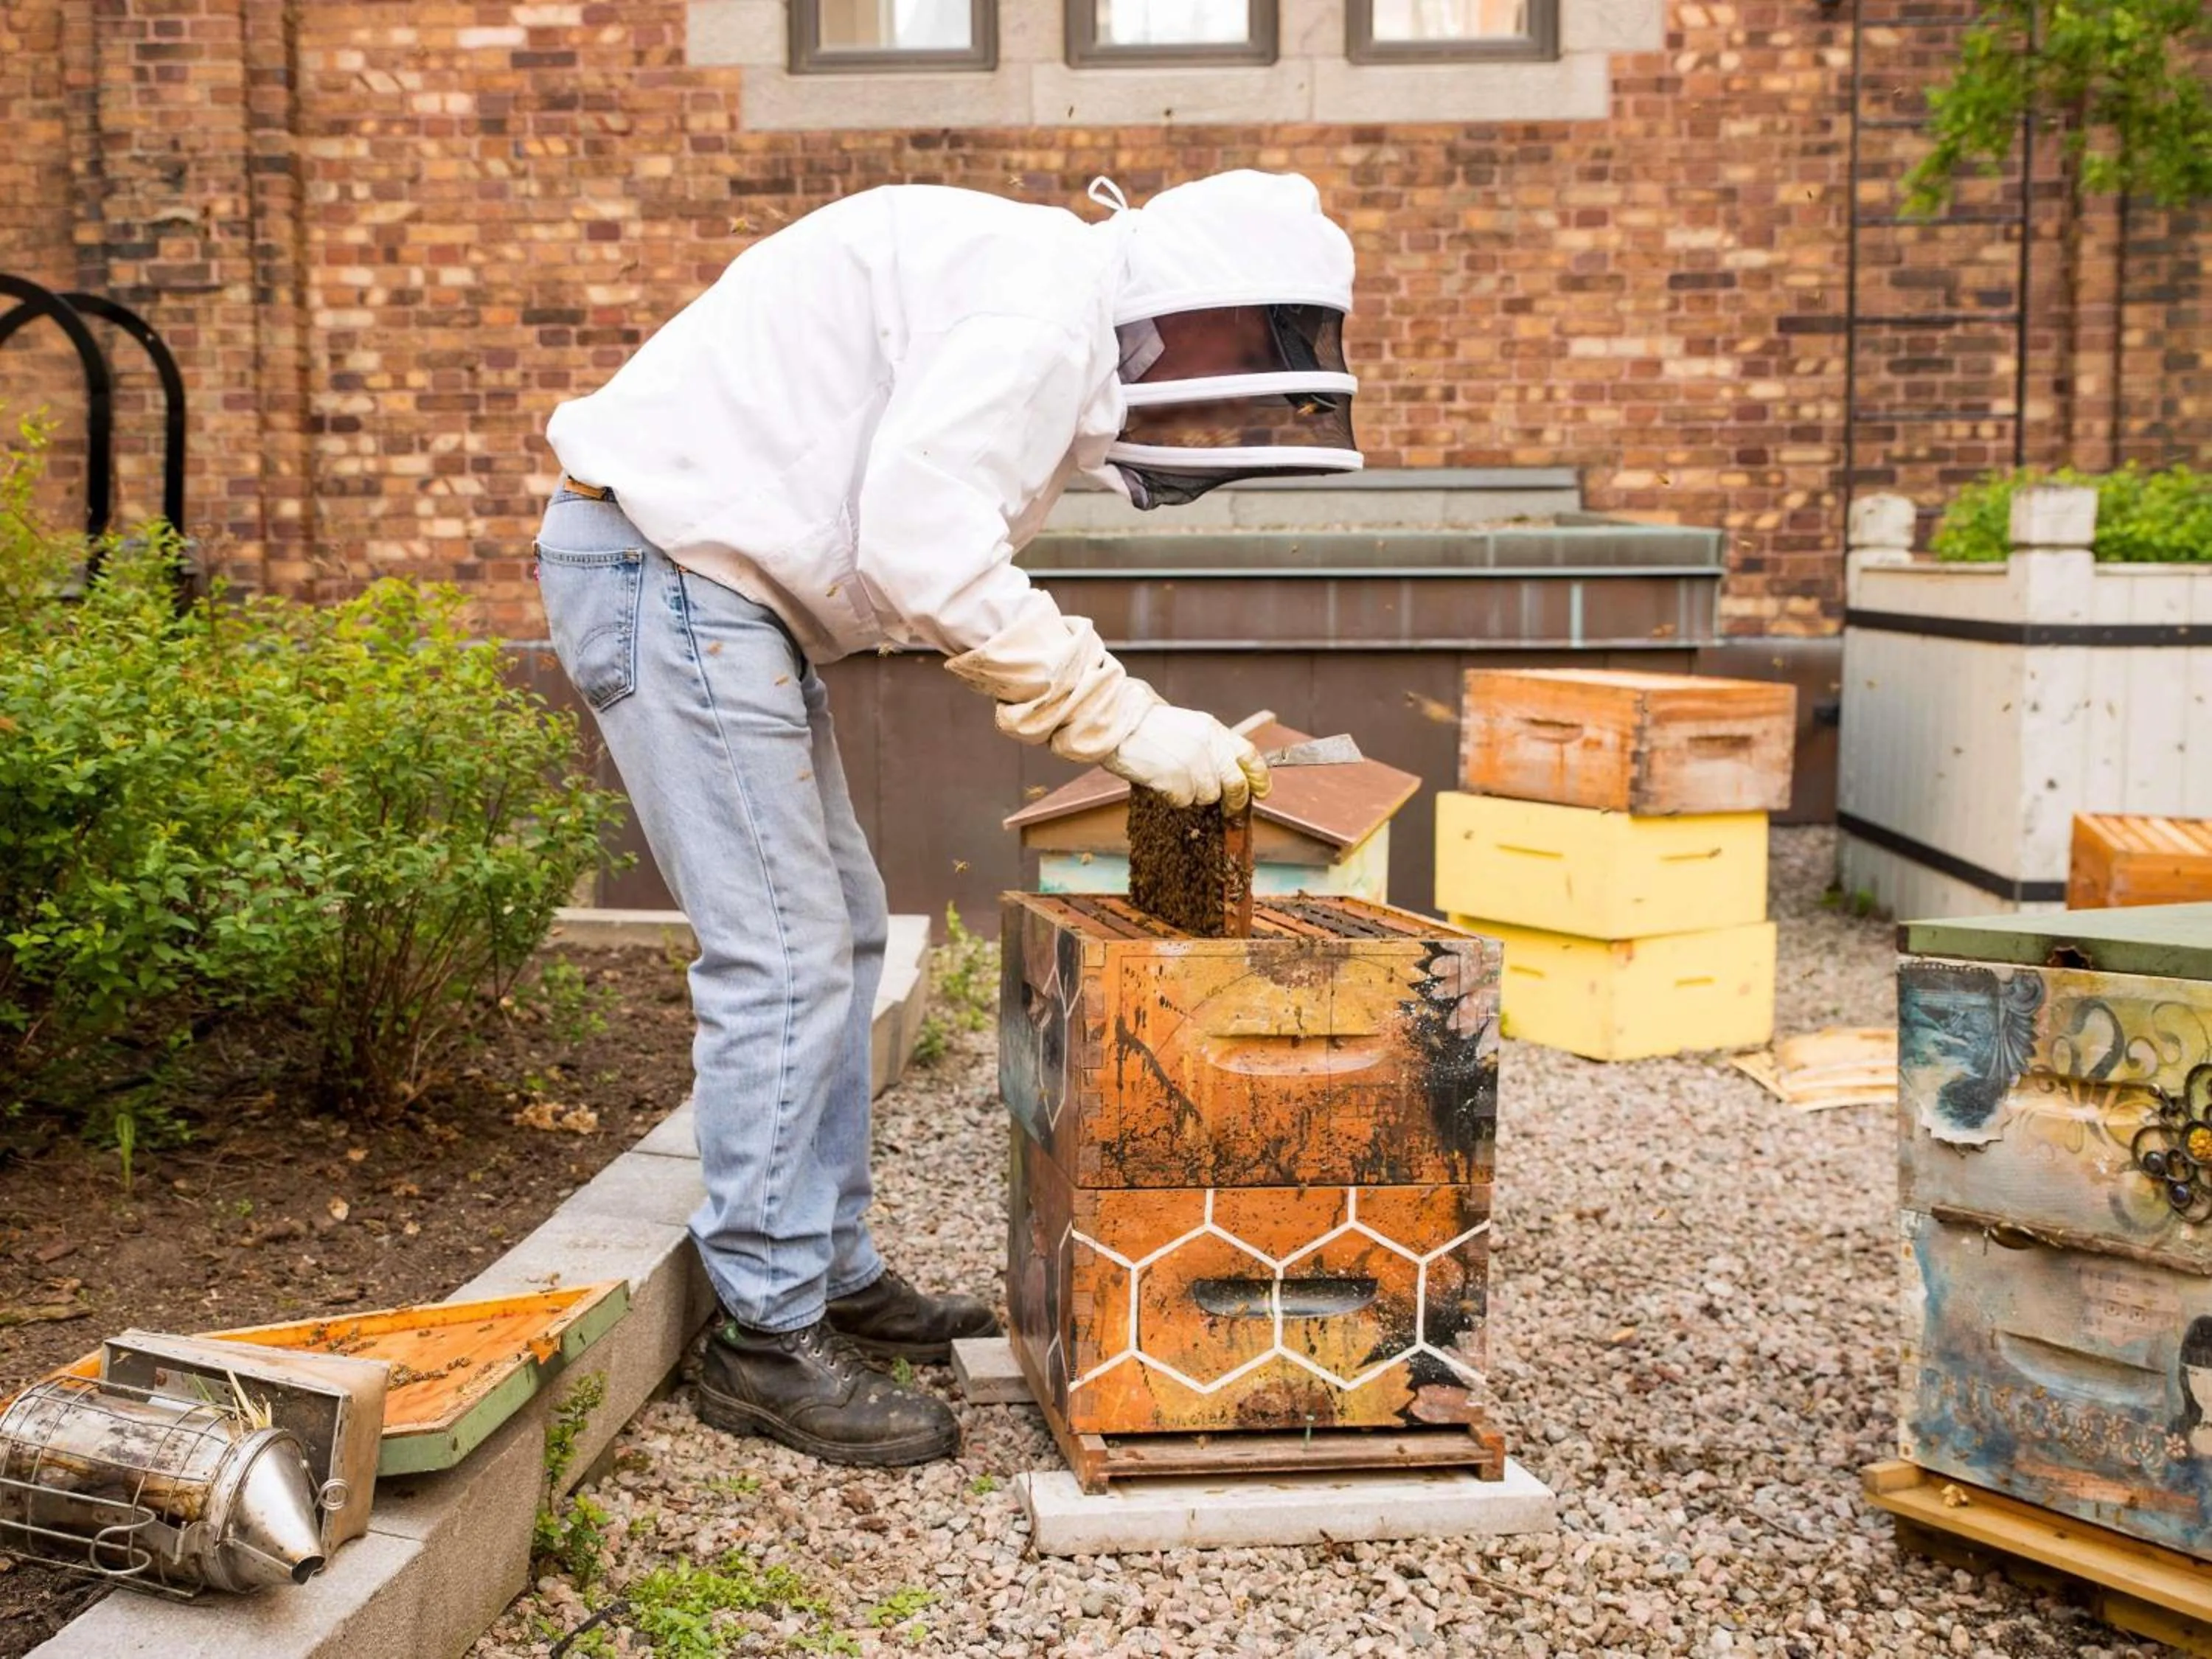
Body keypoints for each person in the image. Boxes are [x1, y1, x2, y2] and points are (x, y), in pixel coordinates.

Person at [534, 170, 1361, 1467]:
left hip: (705, 584)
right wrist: (1125, 721)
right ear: (1199, 298)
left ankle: (826, 1264)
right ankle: (763, 1333)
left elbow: (911, 538)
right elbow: (923, 546)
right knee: (784, 951)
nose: (1259, 379)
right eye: (1265, 342)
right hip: (672, 574)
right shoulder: (1043, 310)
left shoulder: (1042, 298)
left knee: (844, 931)